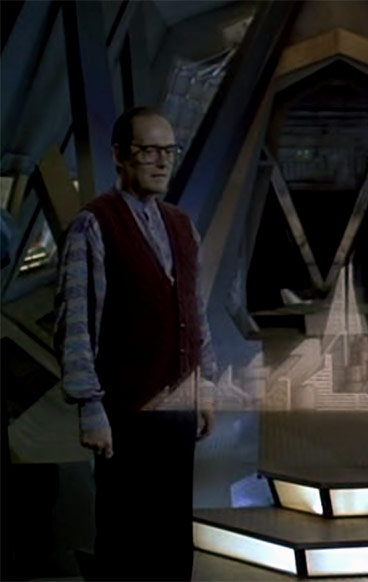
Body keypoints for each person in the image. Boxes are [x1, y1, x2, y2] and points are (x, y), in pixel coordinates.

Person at [54, 106, 217, 581]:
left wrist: (206, 385)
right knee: (126, 538)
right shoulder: (94, 224)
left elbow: (196, 313)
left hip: (178, 408)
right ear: (120, 156)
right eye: (148, 150)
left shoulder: (182, 224)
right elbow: (76, 323)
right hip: (125, 410)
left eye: (169, 151)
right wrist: (89, 406)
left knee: (171, 536)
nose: (162, 161)